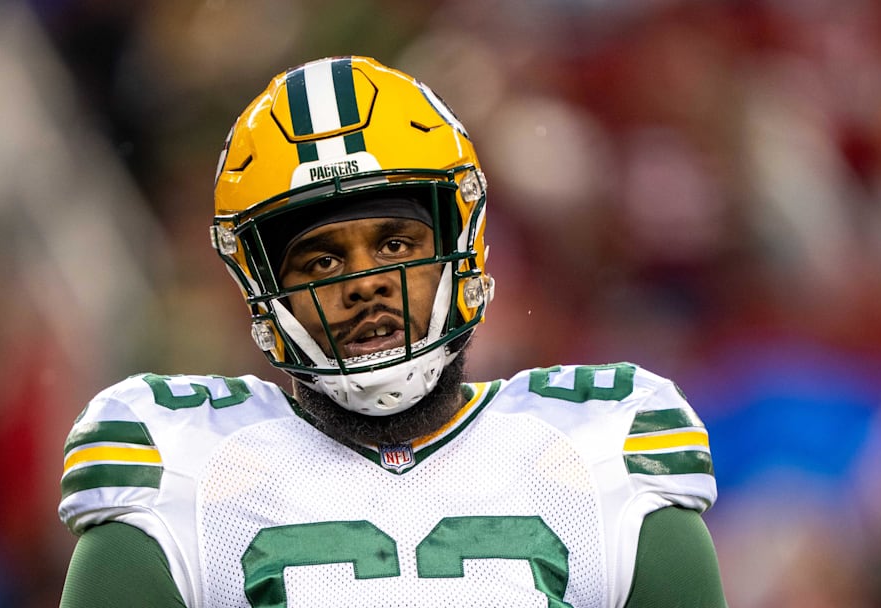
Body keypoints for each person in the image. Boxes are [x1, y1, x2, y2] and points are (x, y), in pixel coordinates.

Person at [57, 55, 728, 607]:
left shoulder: (601, 450)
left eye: (396, 245)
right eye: (321, 259)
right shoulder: (183, 473)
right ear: (263, 288)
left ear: (460, 248)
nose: (363, 282)